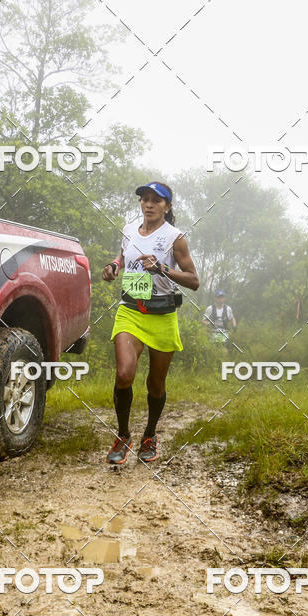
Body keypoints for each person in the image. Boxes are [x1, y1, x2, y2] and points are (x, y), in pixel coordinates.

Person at [102, 181, 199, 465]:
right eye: (145, 199)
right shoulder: (130, 230)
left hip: (162, 315)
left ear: (167, 207)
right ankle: (122, 435)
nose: (149, 204)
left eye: (156, 200)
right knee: (124, 374)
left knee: (155, 384)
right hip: (130, 310)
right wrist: (114, 267)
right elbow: (122, 257)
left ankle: (150, 435)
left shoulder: (175, 237)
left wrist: (163, 268)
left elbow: (194, 280)